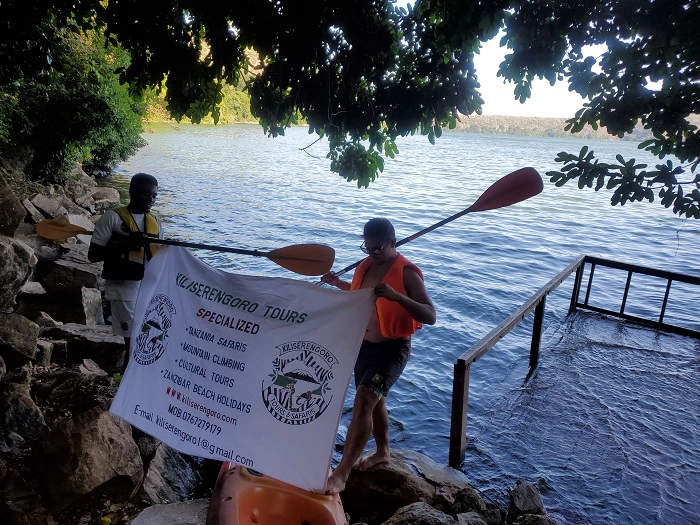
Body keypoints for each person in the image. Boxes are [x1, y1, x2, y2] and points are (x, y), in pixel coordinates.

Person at [321, 218, 436, 494]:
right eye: (366, 247)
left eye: (376, 249)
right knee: (377, 399)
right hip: (364, 345)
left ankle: (341, 474)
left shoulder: (407, 273)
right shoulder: (366, 265)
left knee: (363, 399)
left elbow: (430, 315)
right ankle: (382, 451)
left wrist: (397, 297)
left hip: (392, 349)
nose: (371, 253)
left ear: (393, 243)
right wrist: (338, 283)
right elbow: (360, 294)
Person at [88, 173, 162, 372]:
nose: (150, 200)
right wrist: (126, 244)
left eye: (154, 196)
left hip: (147, 290)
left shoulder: (155, 222)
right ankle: (126, 381)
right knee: (132, 340)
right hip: (123, 291)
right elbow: (93, 255)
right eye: (145, 194)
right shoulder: (112, 218)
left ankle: (133, 378)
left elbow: (159, 259)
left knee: (144, 337)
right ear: (132, 193)